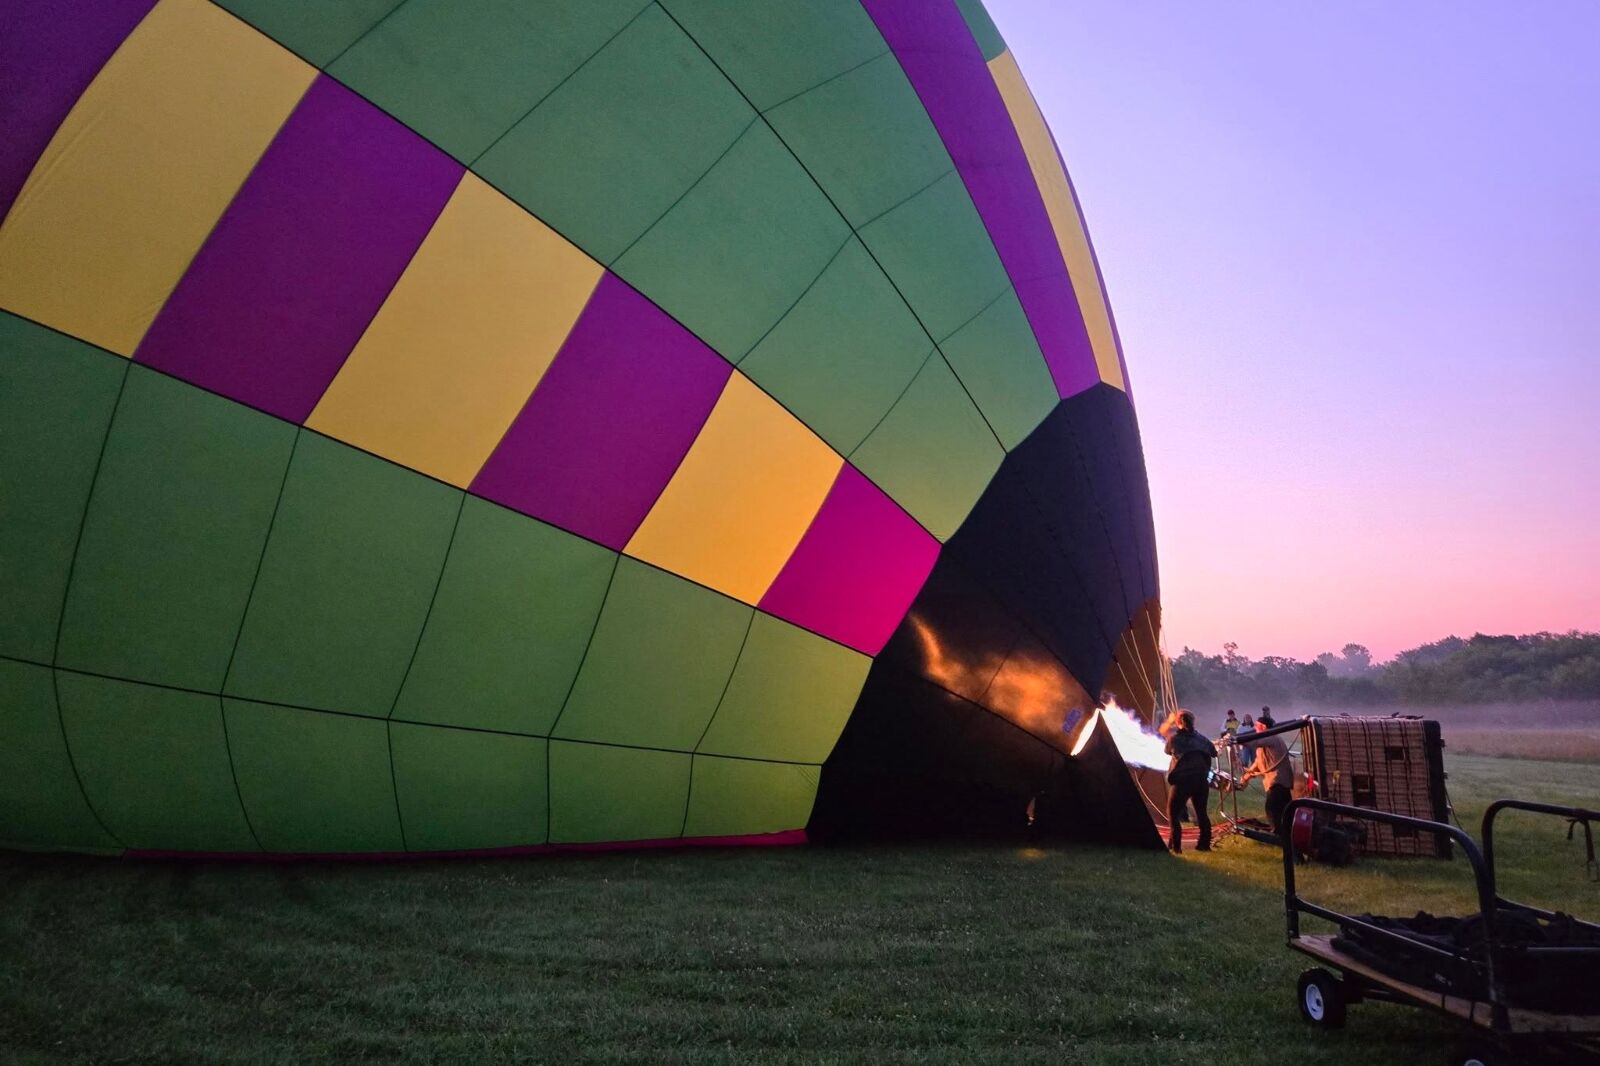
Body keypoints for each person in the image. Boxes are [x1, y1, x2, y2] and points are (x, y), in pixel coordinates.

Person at [1161, 709, 1216, 854]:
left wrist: (1168, 723)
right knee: (1202, 813)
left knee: (1172, 813)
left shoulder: (1175, 739)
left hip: (1182, 780)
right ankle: (1204, 845)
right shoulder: (1202, 739)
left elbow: (1166, 749)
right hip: (1200, 780)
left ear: (1178, 722)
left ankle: (1176, 848)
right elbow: (1214, 751)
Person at [1239, 713, 1294, 836]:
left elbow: (1253, 742)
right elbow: (1258, 762)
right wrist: (1246, 777)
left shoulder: (1271, 737)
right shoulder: (1267, 741)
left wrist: (1236, 739)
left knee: (1273, 810)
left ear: (1263, 727)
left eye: (1257, 726)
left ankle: (1279, 837)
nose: (1255, 729)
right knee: (1280, 812)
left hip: (1278, 782)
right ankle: (1284, 835)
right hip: (1277, 783)